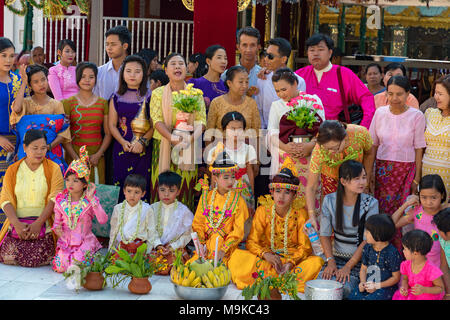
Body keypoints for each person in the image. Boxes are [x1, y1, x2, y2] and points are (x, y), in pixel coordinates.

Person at [228, 156, 324, 293]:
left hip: (292, 263)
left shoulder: (301, 213)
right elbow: (251, 242)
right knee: (237, 257)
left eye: (287, 192)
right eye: (278, 191)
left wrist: (290, 263)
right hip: (267, 261)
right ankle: (283, 283)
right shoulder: (263, 211)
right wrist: (266, 255)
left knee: (316, 263)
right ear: (271, 192)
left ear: (295, 195)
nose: (281, 196)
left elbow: (305, 247)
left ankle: (272, 281)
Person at [149, 52, 207, 211]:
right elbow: (156, 120)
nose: (177, 67)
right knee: (162, 186)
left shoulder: (195, 93)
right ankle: (158, 227)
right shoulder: (158, 93)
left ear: (186, 69)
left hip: (189, 144)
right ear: (166, 70)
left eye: (181, 64)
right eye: (173, 64)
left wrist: (190, 139)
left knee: (184, 187)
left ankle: (183, 229)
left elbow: (202, 121)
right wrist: (172, 138)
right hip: (164, 144)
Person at [369, 76, 426, 234]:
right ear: (386, 93)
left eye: (399, 94)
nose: (394, 98)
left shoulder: (416, 116)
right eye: (390, 93)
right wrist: (369, 173)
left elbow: (419, 148)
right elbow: (373, 145)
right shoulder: (380, 113)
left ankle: (401, 253)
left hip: (405, 171)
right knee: (381, 211)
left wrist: (416, 177)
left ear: (408, 94)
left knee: (403, 214)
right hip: (382, 171)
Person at [0, 129, 64, 267]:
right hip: (17, 225)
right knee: (8, 256)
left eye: (43, 148)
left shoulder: (54, 168)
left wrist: (38, 223)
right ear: (24, 147)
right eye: (35, 148)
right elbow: (5, 199)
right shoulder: (13, 169)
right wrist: (16, 224)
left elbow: (55, 198)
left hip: (43, 226)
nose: (39, 152)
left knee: (36, 258)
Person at [319, 160, 379, 298]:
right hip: (335, 258)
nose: (362, 182)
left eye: (364, 177)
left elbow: (367, 241)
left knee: (343, 289)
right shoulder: (329, 201)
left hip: (360, 262)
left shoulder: (371, 203)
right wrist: (331, 261)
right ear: (343, 181)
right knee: (322, 286)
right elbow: (324, 234)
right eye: (356, 179)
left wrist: (348, 267)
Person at [267, 68, 325, 210]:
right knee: (288, 196)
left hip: (311, 156)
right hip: (287, 159)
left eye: (284, 89)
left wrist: (310, 146)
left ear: (295, 83)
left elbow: (323, 130)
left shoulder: (313, 101)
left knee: (310, 196)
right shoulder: (276, 105)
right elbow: (271, 134)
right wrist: (286, 147)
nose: (281, 94)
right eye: (277, 91)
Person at [294, 34, 375, 129]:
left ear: (330, 52)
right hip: (305, 135)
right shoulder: (299, 75)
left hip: (336, 136)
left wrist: (362, 128)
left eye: (320, 49)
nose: (315, 53)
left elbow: (366, 99)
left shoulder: (344, 74)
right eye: (312, 50)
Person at [305, 120, 374, 230]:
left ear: (345, 138)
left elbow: (370, 153)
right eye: (328, 149)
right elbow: (311, 187)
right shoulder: (320, 149)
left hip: (355, 177)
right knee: (333, 216)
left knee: (357, 215)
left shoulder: (361, 133)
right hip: (331, 178)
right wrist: (312, 215)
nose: (332, 152)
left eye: (335, 148)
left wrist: (366, 179)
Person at [51, 146, 108, 273]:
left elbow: (103, 220)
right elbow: (56, 225)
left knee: (77, 266)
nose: (70, 184)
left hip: (84, 242)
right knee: (60, 267)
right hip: (66, 242)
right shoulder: (61, 201)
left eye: (75, 181)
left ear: (85, 184)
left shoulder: (89, 201)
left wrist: (92, 199)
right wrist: (58, 230)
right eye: (68, 180)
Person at [188, 150, 249, 265]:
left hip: (227, 251)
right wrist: (201, 244)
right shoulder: (206, 197)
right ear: (215, 178)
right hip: (205, 250)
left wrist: (223, 250)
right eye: (226, 178)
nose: (231, 181)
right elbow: (198, 223)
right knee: (192, 268)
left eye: (232, 177)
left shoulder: (238, 201)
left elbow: (238, 231)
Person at [10, 64, 72, 173]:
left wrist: (47, 147)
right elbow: (16, 108)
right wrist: (24, 82)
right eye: (36, 82)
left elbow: (63, 134)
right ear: (30, 85)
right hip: (29, 154)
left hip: (51, 153)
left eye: (43, 79)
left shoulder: (56, 105)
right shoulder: (26, 103)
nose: (41, 84)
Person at [108, 55, 153, 203]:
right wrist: (122, 142)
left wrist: (142, 142)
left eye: (137, 71)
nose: (132, 75)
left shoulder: (150, 96)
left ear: (144, 74)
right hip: (122, 149)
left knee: (142, 186)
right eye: (128, 71)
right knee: (121, 186)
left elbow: (154, 125)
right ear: (123, 74)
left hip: (143, 151)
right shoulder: (116, 97)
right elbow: (112, 125)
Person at [62, 62, 112, 184]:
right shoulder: (68, 103)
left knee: (96, 195)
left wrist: (99, 154)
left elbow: (108, 133)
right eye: (83, 76)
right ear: (77, 78)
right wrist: (76, 159)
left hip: (96, 157)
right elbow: (64, 135)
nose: (87, 80)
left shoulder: (103, 103)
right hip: (74, 156)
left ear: (96, 79)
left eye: (91, 77)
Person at [392, 174, 447, 267]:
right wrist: (406, 205)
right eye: (424, 197)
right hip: (418, 264)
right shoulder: (417, 211)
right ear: (419, 195)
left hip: (439, 266)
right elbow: (393, 224)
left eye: (433, 197)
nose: (428, 202)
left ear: (442, 195)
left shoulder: (446, 214)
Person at [148, 170, 194, 275]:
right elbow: (149, 230)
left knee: (175, 261)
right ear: (157, 189)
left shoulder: (184, 211)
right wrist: (158, 245)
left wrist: (173, 246)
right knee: (147, 259)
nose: (166, 194)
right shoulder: (152, 208)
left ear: (178, 191)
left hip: (174, 248)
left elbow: (188, 234)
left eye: (171, 190)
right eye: (162, 190)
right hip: (156, 248)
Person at [255, 37, 306, 130]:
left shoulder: (299, 81)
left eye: (270, 56)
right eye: (266, 55)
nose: (265, 59)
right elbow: (259, 110)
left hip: (291, 135)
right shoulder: (262, 79)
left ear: (283, 59)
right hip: (268, 135)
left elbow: (300, 111)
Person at [348, 214, 402, 300]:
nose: (365, 234)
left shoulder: (392, 253)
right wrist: (362, 282)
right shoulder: (367, 248)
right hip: (368, 285)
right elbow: (363, 268)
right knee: (354, 296)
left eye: (368, 232)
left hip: (384, 287)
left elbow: (396, 277)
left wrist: (377, 286)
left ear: (378, 235)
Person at [0, 38, 23, 228]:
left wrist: (23, 82)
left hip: (16, 140)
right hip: (0, 141)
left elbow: (20, 108)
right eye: (3, 55)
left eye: (11, 55)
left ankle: (8, 236)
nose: (9, 60)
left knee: (12, 189)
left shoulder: (16, 80)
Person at [207, 65, 261, 136]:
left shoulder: (251, 103)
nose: (244, 86)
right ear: (229, 83)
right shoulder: (216, 103)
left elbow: (257, 132)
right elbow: (209, 132)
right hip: (221, 146)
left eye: (247, 82)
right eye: (241, 82)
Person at [392, 229, 445, 300]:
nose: (403, 251)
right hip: (412, 296)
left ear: (415, 253)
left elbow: (440, 288)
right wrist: (404, 287)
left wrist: (424, 289)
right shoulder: (406, 265)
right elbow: (405, 279)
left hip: (428, 297)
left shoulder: (431, 270)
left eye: (405, 249)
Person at [108, 174, 153, 254]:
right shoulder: (118, 208)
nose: (132, 195)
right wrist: (110, 251)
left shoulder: (147, 209)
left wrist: (148, 253)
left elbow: (151, 232)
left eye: (137, 192)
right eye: (129, 191)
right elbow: (114, 231)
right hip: (121, 247)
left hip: (138, 248)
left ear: (143, 193)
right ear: (124, 191)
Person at [422, 75, 450, 201]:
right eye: (435, 92)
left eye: (440, 93)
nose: (435, 97)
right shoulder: (429, 113)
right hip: (426, 175)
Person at [221, 26, 262, 97]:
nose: (248, 50)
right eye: (244, 45)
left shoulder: (263, 76)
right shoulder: (227, 75)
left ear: (258, 47)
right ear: (238, 47)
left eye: (252, 45)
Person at [93, 25, 130, 101]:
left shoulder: (135, 72)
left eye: (113, 44)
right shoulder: (99, 72)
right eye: (107, 44)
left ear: (125, 46)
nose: (109, 48)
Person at [188, 45, 228, 110]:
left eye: (225, 58)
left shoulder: (226, 86)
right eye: (219, 58)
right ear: (208, 61)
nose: (223, 61)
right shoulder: (194, 83)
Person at [432, 208, 450, 300]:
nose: (438, 232)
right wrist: (448, 294)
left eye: (439, 230)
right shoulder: (443, 240)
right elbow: (444, 266)